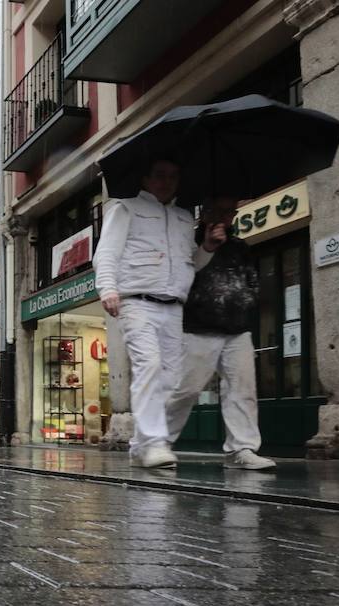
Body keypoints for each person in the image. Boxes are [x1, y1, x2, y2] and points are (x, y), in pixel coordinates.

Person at [94, 157, 222, 469]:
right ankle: (154, 443)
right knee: (148, 367)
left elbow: (190, 263)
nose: (167, 181)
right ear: (146, 178)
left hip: (173, 306)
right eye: (160, 175)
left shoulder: (182, 217)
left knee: (173, 380)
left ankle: (142, 444)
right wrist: (107, 289)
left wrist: (206, 247)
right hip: (136, 301)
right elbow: (106, 253)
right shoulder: (125, 208)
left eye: (173, 176)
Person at [166, 196, 277, 470]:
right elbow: (182, 276)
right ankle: (155, 442)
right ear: (204, 213)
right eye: (221, 210)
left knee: (242, 389)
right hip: (197, 328)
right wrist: (207, 246)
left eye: (231, 212)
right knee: (185, 389)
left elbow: (251, 280)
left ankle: (242, 449)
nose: (228, 217)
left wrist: (247, 303)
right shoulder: (188, 243)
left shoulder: (240, 247)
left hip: (237, 329)